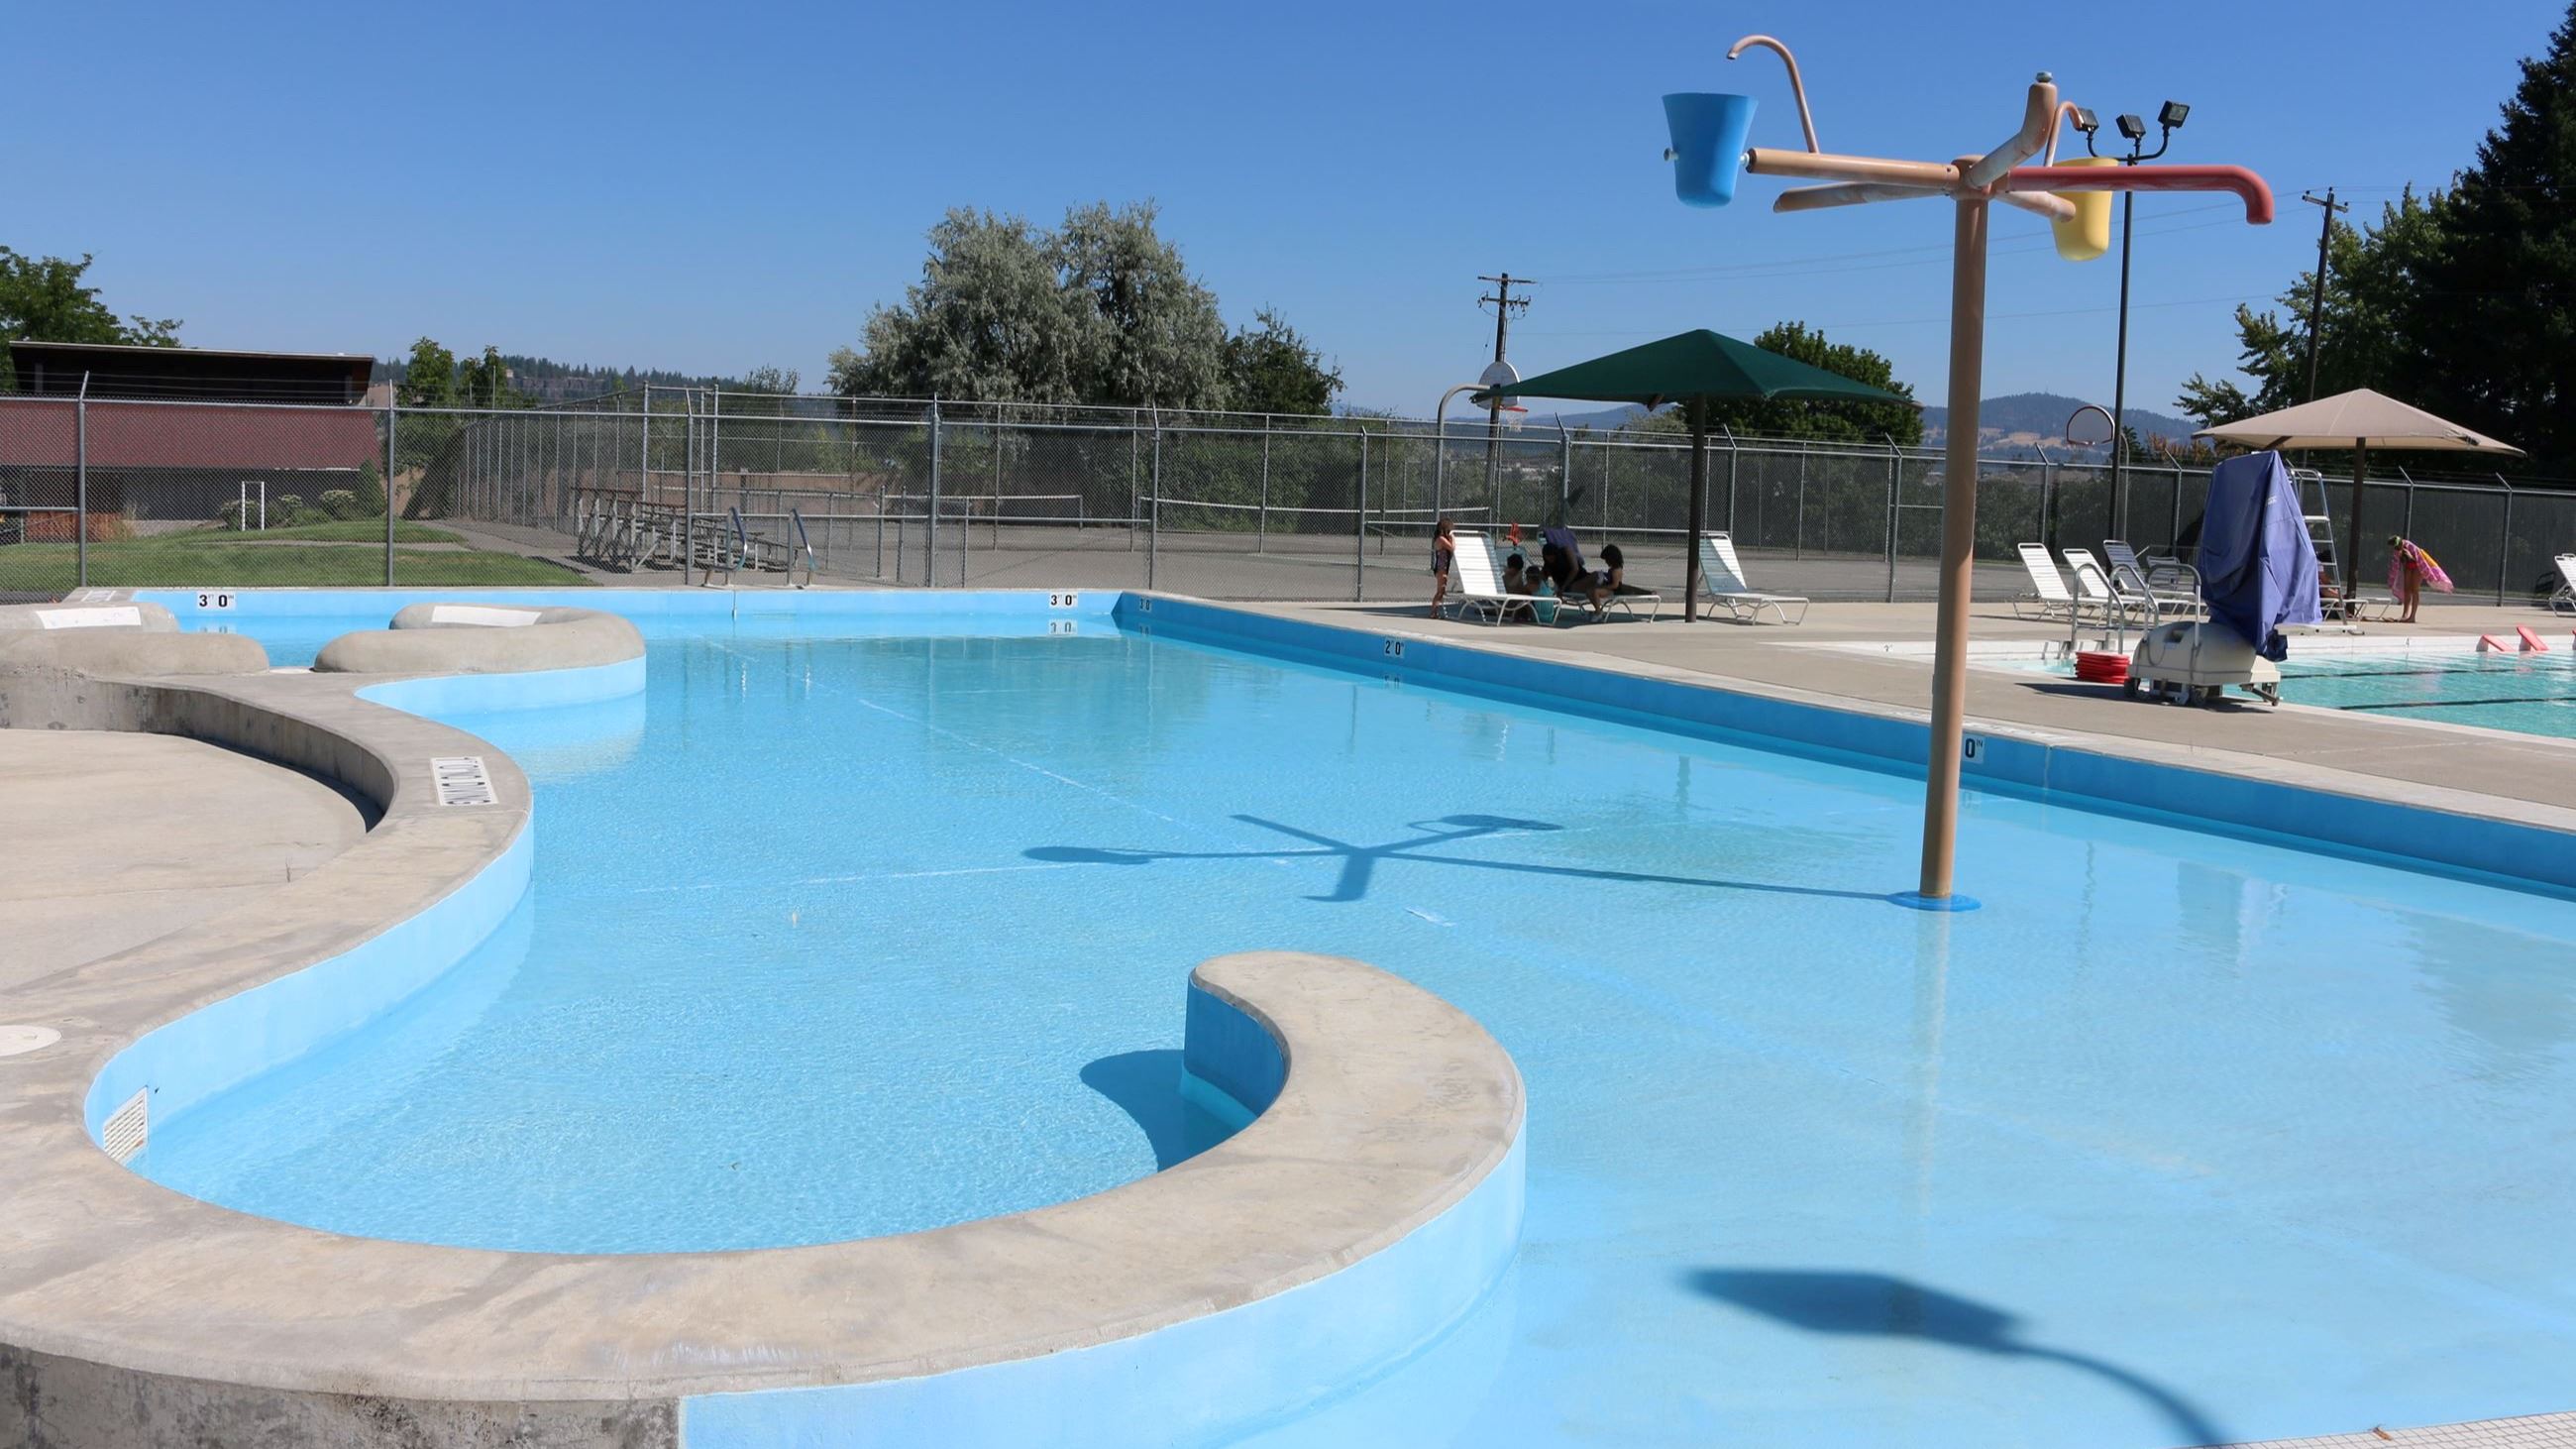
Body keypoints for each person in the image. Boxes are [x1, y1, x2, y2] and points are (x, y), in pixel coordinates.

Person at [2386, 534, 2452, 623]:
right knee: (2407, 589)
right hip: (2408, 566)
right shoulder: (2397, 550)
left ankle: (2412, 617)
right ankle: (2405, 615)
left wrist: (2409, 556)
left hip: (2417, 565)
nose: (2396, 550)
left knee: (2414, 589)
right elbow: (2397, 564)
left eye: (2397, 547)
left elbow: (2418, 559)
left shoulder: (2409, 546)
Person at [1430, 516, 1455, 619]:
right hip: (1441, 569)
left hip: (1444, 567)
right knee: (1440, 591)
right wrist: (1452, 537)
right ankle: (1433, 612)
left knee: (1442, 591)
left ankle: (1435, 611)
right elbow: (1452, 547)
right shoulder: (1441, 539)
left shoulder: (1442, 539)